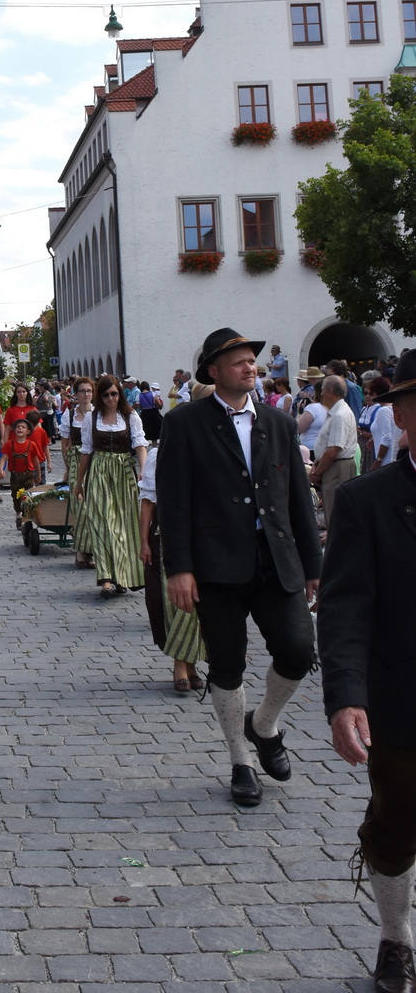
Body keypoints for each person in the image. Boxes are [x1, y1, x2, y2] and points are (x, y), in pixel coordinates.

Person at [156, 327, 322, 809]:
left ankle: (264, 724)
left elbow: (297, 500)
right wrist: (178, 567)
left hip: (276, 560)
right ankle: (240, 760)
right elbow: (174, 502)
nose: (251, 367)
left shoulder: (279, 423)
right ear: (214, 371)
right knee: (226, 665)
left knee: (297, 650)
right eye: (239, 362)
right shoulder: (184, 423)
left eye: (253, 361)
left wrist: (312, 563)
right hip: (215, 565)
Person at [318, 349, 416, 993]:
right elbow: (346, 607)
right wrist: (345, 697)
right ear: (402, 415)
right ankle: (395, 940)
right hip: (400, 694)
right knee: (396, 822)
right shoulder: (366, 501)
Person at [74, 374, 147, 597]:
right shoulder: (91, 418)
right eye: (105, 395)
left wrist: (143, 471)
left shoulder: (130, 416)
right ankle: (106, 577)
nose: (110, 398)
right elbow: (86, 451)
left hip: (124, 472)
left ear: (120, 394)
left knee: (124, 525)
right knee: (102, 522)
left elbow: (140, 444)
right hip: (99, 471)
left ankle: (123, 575)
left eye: (114, 394)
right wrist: (79, 482)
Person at [139, 446, 204, 695]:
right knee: (170, 600)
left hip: (205, 533)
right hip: (166, 535)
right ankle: (185, 661)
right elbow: (148, 500)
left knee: (197, 600)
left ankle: (185, 663)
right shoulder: (160, 454)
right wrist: (144, 541)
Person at [58, 376, 96, 569]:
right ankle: (82, 549)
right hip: (75, 460)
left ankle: (95, 548)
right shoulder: (70, 414)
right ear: (76, 394)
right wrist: (68, 466)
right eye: (82, 391)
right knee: (80, 506)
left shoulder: (98, 413)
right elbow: (65, 444)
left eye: (89, 391)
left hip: (96, 463)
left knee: (95, 506)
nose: (86, 395)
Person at [309, 375, 359, 522]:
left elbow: (333, 451)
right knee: (332, 509)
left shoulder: (339, 415)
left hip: (337, 467)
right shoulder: (336, 412)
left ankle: (337, 542)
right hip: (333, 465)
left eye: (323, 390)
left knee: (336, 512)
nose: (321, 394)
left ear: (330, 391)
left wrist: (317, 473)